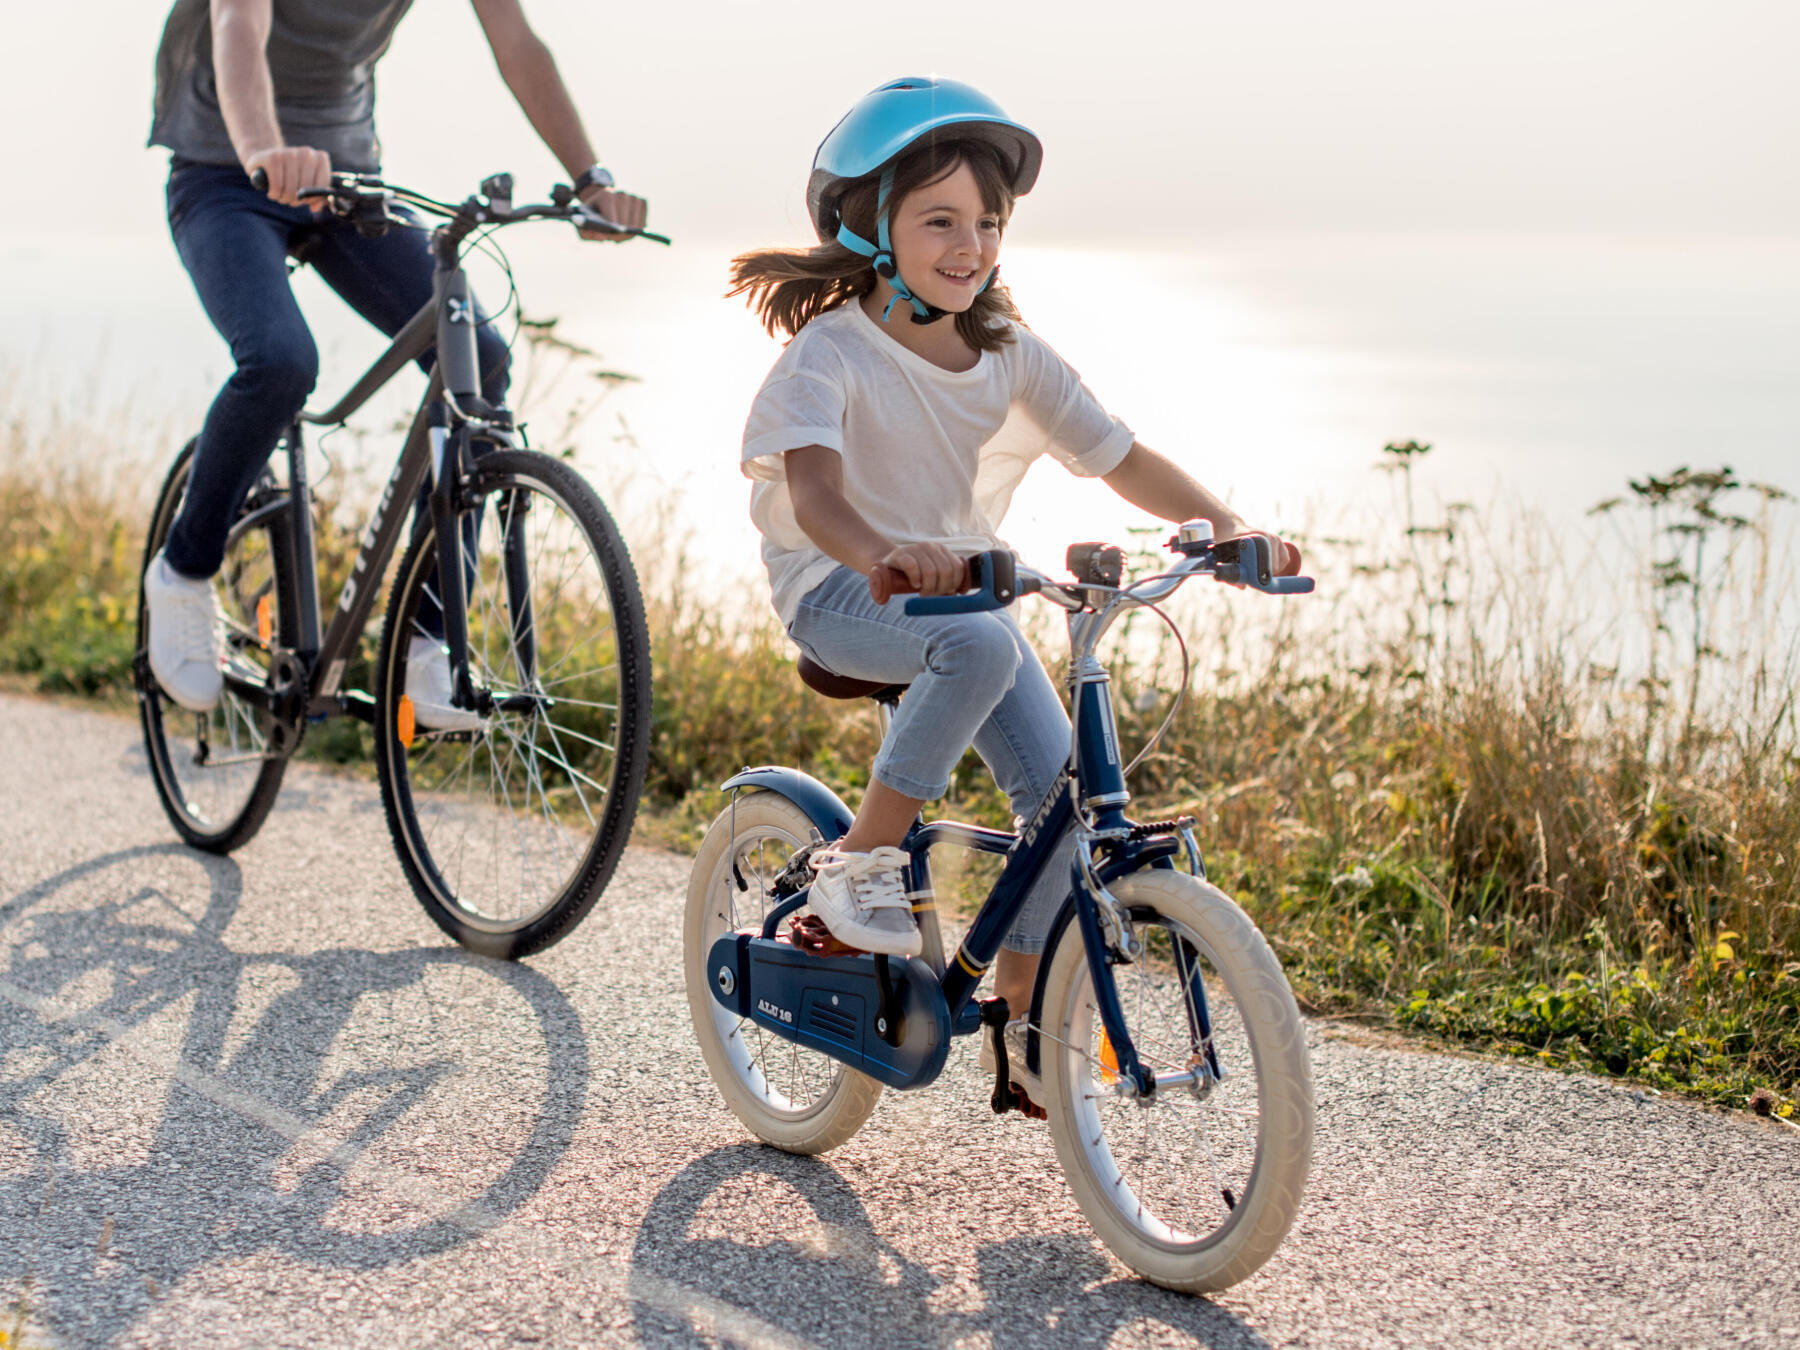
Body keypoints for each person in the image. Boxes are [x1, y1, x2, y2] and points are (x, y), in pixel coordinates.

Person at [728, 76, 1301, 1108]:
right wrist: (884, 554)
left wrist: (1232, 529)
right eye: (939, 218)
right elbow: (814, 498)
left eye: (987, 221)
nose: (971, 243)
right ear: (870, 230)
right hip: (842, 593)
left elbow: (1120, 456)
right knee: (987, 646)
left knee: (1063, 808)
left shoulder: (1007, 356)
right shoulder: (829, 356)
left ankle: (1026, 1013)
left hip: (957, 602)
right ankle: (857, 865)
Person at [144, 0, 648, 727]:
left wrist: (589, 177)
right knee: (281, 360)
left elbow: (517, 43)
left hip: (346, 180)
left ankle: (426, 639)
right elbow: (237, 27)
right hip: (226, 174)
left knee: (478, 357)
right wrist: (261, 150)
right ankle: (183, 571)